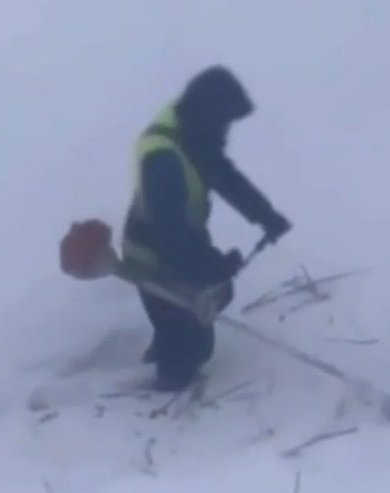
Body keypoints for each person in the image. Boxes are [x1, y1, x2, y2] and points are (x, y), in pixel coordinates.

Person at [121, 65, 292, 391]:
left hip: (173, 244)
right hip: (153, 257)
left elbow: (221, 174)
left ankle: (168, 335)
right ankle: (165, 385)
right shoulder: (163, 158)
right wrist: (214, 264)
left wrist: (263, 214)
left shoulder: (192, 131)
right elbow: (171, 236)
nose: (226, 130)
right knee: (192, 353)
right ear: (208, 113)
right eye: (224, 121)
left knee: (198, 321)